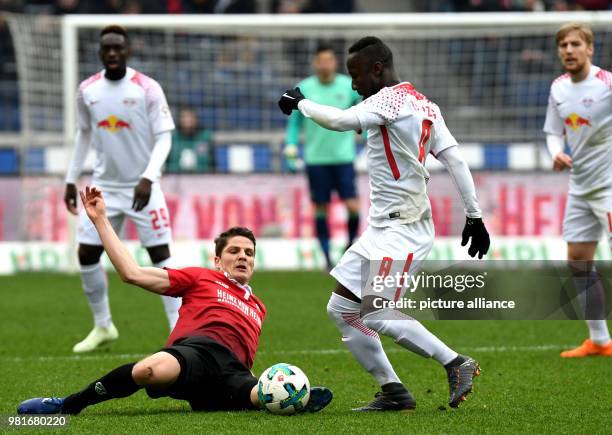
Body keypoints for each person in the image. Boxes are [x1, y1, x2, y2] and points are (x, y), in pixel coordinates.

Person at [279, 36, 490, 411]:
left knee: (375, 311)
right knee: (342, 309)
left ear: (377, 69)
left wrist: (301, 103)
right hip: (383, 228)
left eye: (356, 75)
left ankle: (457, 363)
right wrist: (473, 215)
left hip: (404, 227)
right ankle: (394, 391)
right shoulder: (426, 104)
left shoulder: (387, 99)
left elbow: (341, 120)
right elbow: (455, 159)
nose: (353, 85)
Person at [17, 186, 332, 415]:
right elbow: (131, 272)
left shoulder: (258, 306)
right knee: (147, 372)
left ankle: (296, 400)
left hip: (233, 372)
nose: (242, 257)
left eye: (249, 253)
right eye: (234, 251)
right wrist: (100, 219)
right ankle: (67, 405)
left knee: (262, 396)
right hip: (193, 354)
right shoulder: (200, 277)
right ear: (218, 260)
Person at [64, 25, 180, 353]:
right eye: (107, 49)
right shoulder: (87, 89)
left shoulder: (147, 88)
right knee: (86, 253)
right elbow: (83, 135)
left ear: (127, 51)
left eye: (118, 48)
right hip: (103, 189)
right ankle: (103, 326)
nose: (112, 53)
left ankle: (177, 329)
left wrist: (148, 177)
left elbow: (164, 137)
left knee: (160, 256)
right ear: (100, 53)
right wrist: (70, 180)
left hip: (143, 188)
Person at [543, 23, 612, 358]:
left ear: (590, 49)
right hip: (581, 187)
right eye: (563, 45)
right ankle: (599, 341)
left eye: (575, 44)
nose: (568, 50)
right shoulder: (558, 88)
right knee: (578, 260)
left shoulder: (607, 83)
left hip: (610, 186)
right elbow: (553, 131)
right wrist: (556, 151)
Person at [284, 43, 362, 269]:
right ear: (315, 63)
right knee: (321, 207)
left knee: (352, 206)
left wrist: (369, 141)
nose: (324, 65)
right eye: (320, 61)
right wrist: (290, 148)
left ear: (335, 63)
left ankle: (349, 246)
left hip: (344, 159)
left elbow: (363, 116)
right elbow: (294, 122)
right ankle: (327, 257)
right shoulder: (305, 87)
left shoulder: (349, 86)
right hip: (316, 160)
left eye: (329, 60)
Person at [167, 107, 213, 173]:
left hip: (202, 177)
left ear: (196, 119)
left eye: (190, 117)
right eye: (184, 117)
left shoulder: (205, 137)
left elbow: (212, 163)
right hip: (175, 177)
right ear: (180, 119)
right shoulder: (173, 137)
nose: (187, 120)